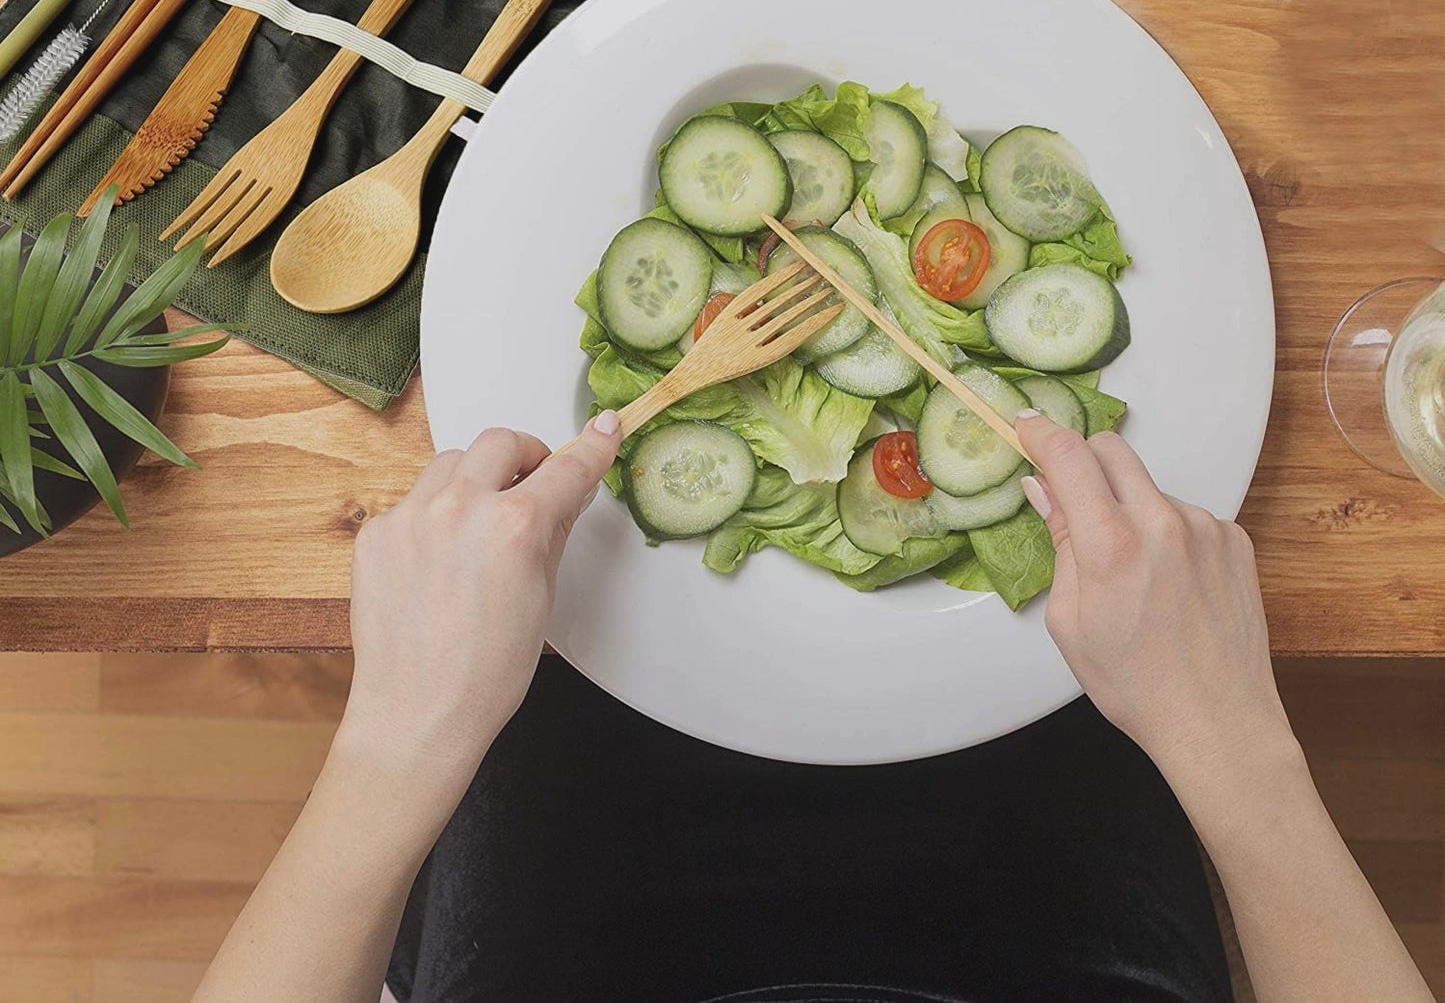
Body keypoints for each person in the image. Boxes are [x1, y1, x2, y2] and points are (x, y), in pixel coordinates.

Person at [193, 410, 1434, 1003]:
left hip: (567, 945)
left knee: (571, 612)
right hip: (1055, 941)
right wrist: (1239, 752)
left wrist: (396, 735)